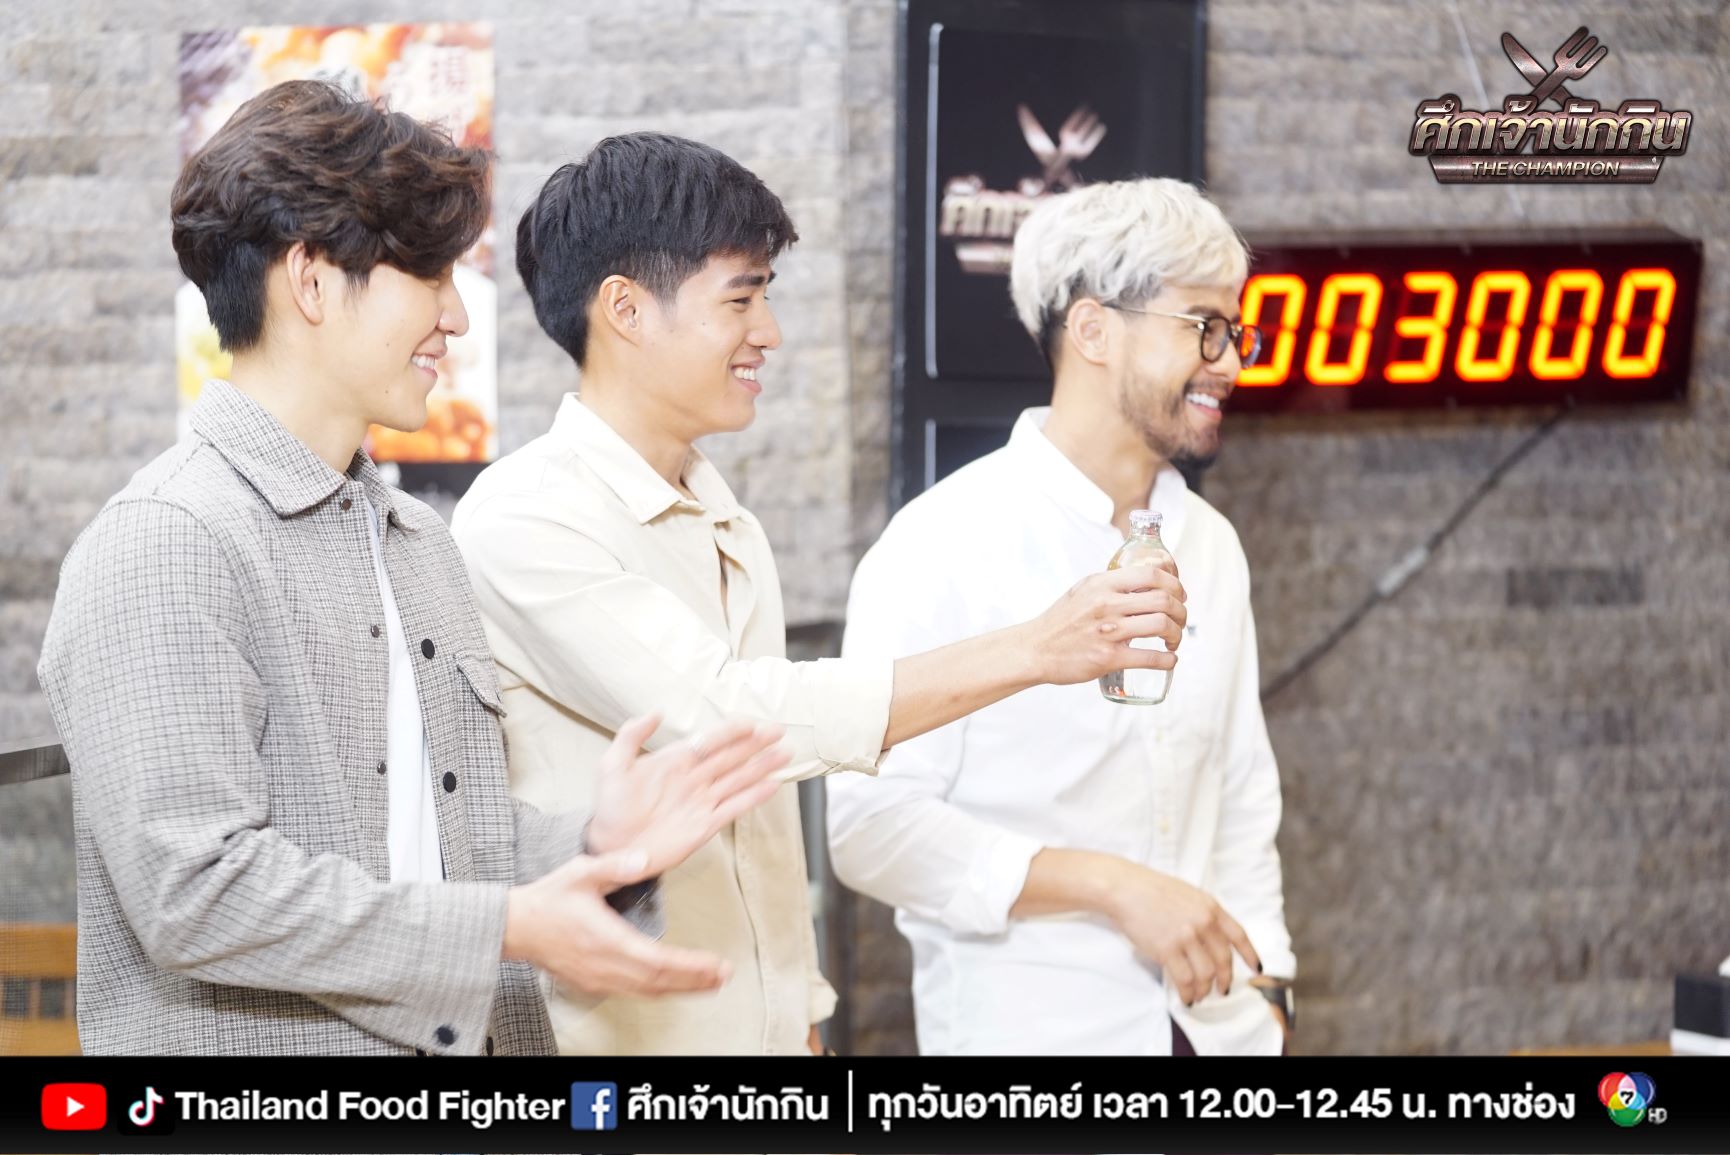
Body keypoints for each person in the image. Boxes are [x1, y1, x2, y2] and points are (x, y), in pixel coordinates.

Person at [36, 81, 788, 1057]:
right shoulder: (166, 542)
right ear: (311, 280)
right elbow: (196, 890)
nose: (456, 317)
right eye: (429, 274)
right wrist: (506, 928)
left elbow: (438, 844)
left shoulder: (418, 542)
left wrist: (596, 843)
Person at [450, 133, 1188, 1055]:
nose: (768, 332)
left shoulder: (727, 520)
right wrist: (1034, 648)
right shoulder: (524, 515)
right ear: (626, 310)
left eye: (766, 296)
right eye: (740, 298)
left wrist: (797, 1010)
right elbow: (730, 719)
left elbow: (761, 817)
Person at [827, 177, 1296, 1056]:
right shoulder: (939, 542)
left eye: (1236, 331)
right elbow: (870, 830)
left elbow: (1240, 797)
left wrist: (1271, 995)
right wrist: (1112, 886)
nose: (1231, 361)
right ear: (1093, 330)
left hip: (1218, 1038)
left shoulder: (1212, 544)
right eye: (1204, 326)